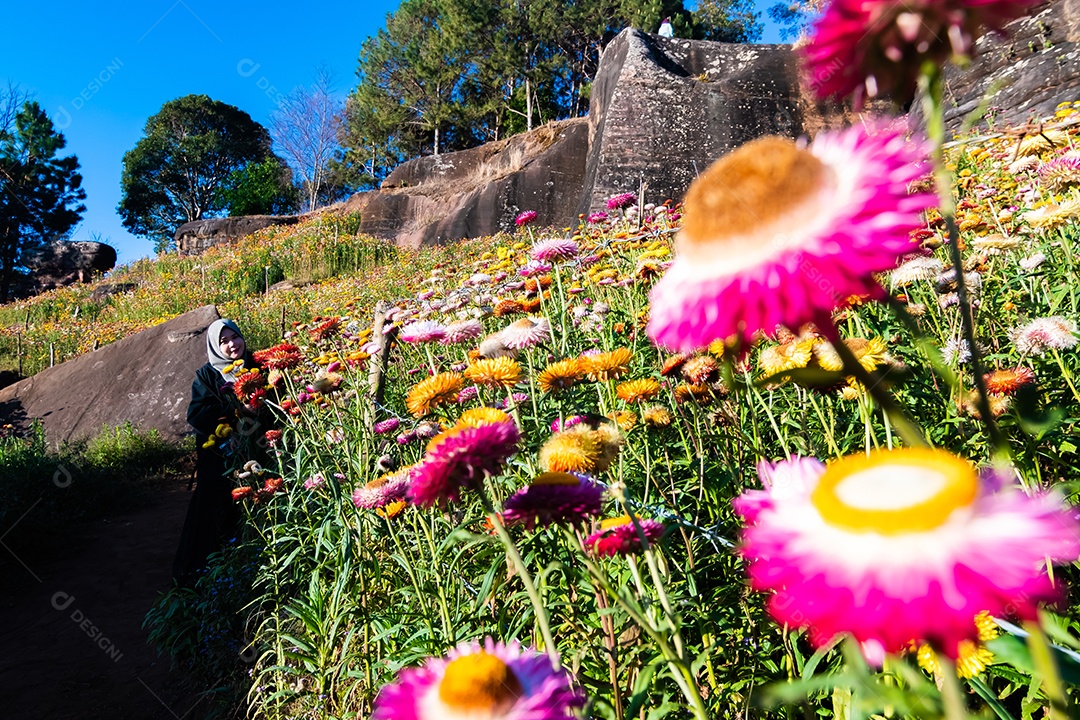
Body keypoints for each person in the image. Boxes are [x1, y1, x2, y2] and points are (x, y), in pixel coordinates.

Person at [172, 319, 256, 585]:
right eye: (224, 341)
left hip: (258, 450)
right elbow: (196, 415)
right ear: (215, 347)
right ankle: (206, 577)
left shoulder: (256, 364)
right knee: (217, 510)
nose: (233, 345)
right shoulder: (207, 375)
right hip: (221, 457)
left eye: (235, 336)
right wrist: (234, 411)